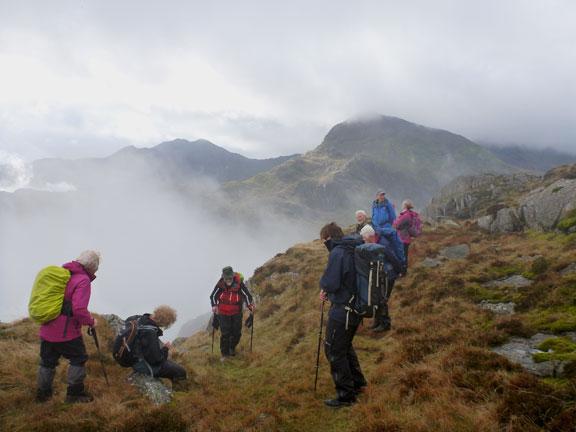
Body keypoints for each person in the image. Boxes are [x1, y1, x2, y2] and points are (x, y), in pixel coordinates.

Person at [36, 250, 100, 403]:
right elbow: (78, 309)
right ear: (93, 267)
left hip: (47, 327)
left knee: (47, 361)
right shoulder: (83, 280)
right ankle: (74, 394)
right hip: (66, 332)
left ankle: (42, 394)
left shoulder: (62, 274)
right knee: (79, 357)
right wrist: (91, 322)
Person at [319, 222, 367, 408]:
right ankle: (359, 384)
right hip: (355, 308)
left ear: (329, 238)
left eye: (324, 242)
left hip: (343, 311)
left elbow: (330, 282)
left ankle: (346, 397)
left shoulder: (338, 253)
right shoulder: (353, 247)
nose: (325, 245)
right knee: (345, 347)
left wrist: (324, 288)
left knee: (333, 351)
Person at [360, 225, 404, 332]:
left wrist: (399, 271)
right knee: (378, 297)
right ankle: (377, 322)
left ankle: (385, 324)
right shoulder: (373, 242)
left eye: (364, 238)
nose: (363, 240)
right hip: (380, 275)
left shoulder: (383, 244)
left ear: (370, 236)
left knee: (383, 298)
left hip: (389, 274)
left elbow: (393, 257)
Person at [130, 305, 187, 387]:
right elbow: (156, 360)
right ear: (165, 321)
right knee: (181, 372)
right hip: (142, 365)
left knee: (170, 365)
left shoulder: (142, 320)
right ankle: (174, 385)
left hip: (135, 359)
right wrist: (165, 349)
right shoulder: (150, 332)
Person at [210, 266, 255, 358]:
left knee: (237, 333)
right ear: (223, 277)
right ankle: (225, 354)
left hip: (236, 312)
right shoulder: (220, 284)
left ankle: (232, 347)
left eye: (230, 278)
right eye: (226, 278)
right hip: (223, 313)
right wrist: (214, 305)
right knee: (225, 334)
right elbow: (213, 296)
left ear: (233, 276)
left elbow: (247, 295)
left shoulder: (239, 283)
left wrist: (250, 305)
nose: (228, 280)